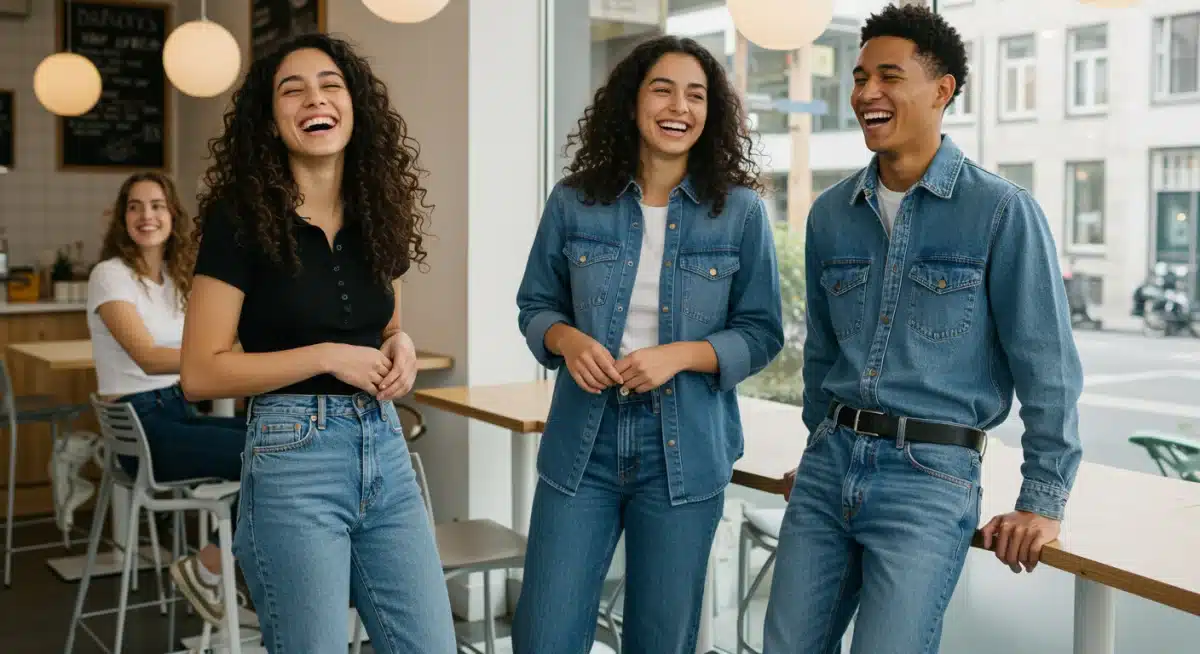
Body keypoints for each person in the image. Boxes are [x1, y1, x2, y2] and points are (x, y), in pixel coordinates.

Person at [762, 4, 1084, 652]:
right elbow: (823, 355)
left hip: (928, 477)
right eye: (858, 78)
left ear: (942, 91)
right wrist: (817, 445)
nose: (865, 94)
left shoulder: (1000, 212)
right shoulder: (831, 215)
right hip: (828, 472)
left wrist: (1041, 502)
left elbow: (1047, 368)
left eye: (888, 76)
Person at [179, 33, 454, 652]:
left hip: (384, 449)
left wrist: (402, 345)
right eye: (291, 89)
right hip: (291, 455)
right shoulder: (238, 217)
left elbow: (385, 325)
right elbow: (200, 372)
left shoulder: (378, 210)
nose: (314, 98)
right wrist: (327, 358)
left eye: (330, 84)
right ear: (270, 120)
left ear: (354, 106)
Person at [513, 35, 785, 653]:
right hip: (584, 444)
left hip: (685, 449)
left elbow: (762, 332)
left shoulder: (740, 212)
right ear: (632, 102)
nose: (679, 106)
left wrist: (679, 356)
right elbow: (536, 306)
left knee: (660, 639)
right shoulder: (574, 201)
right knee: (544, 636)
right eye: (663, 88)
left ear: (710, 114)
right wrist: (566, 339)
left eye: (696, 95)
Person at [86, 171, 247, 627]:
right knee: (263, 453)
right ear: (122, 218)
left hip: (175, 410)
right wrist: (222, 357)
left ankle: (232, 572)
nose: (146, 216)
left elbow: (214, 338)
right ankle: (210, 567)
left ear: (172, 215)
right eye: (134, 206)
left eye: (156, 205)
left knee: (277, 440)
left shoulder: (176, 280)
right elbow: (149, 358)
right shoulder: (110, 276)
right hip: (142, 429)